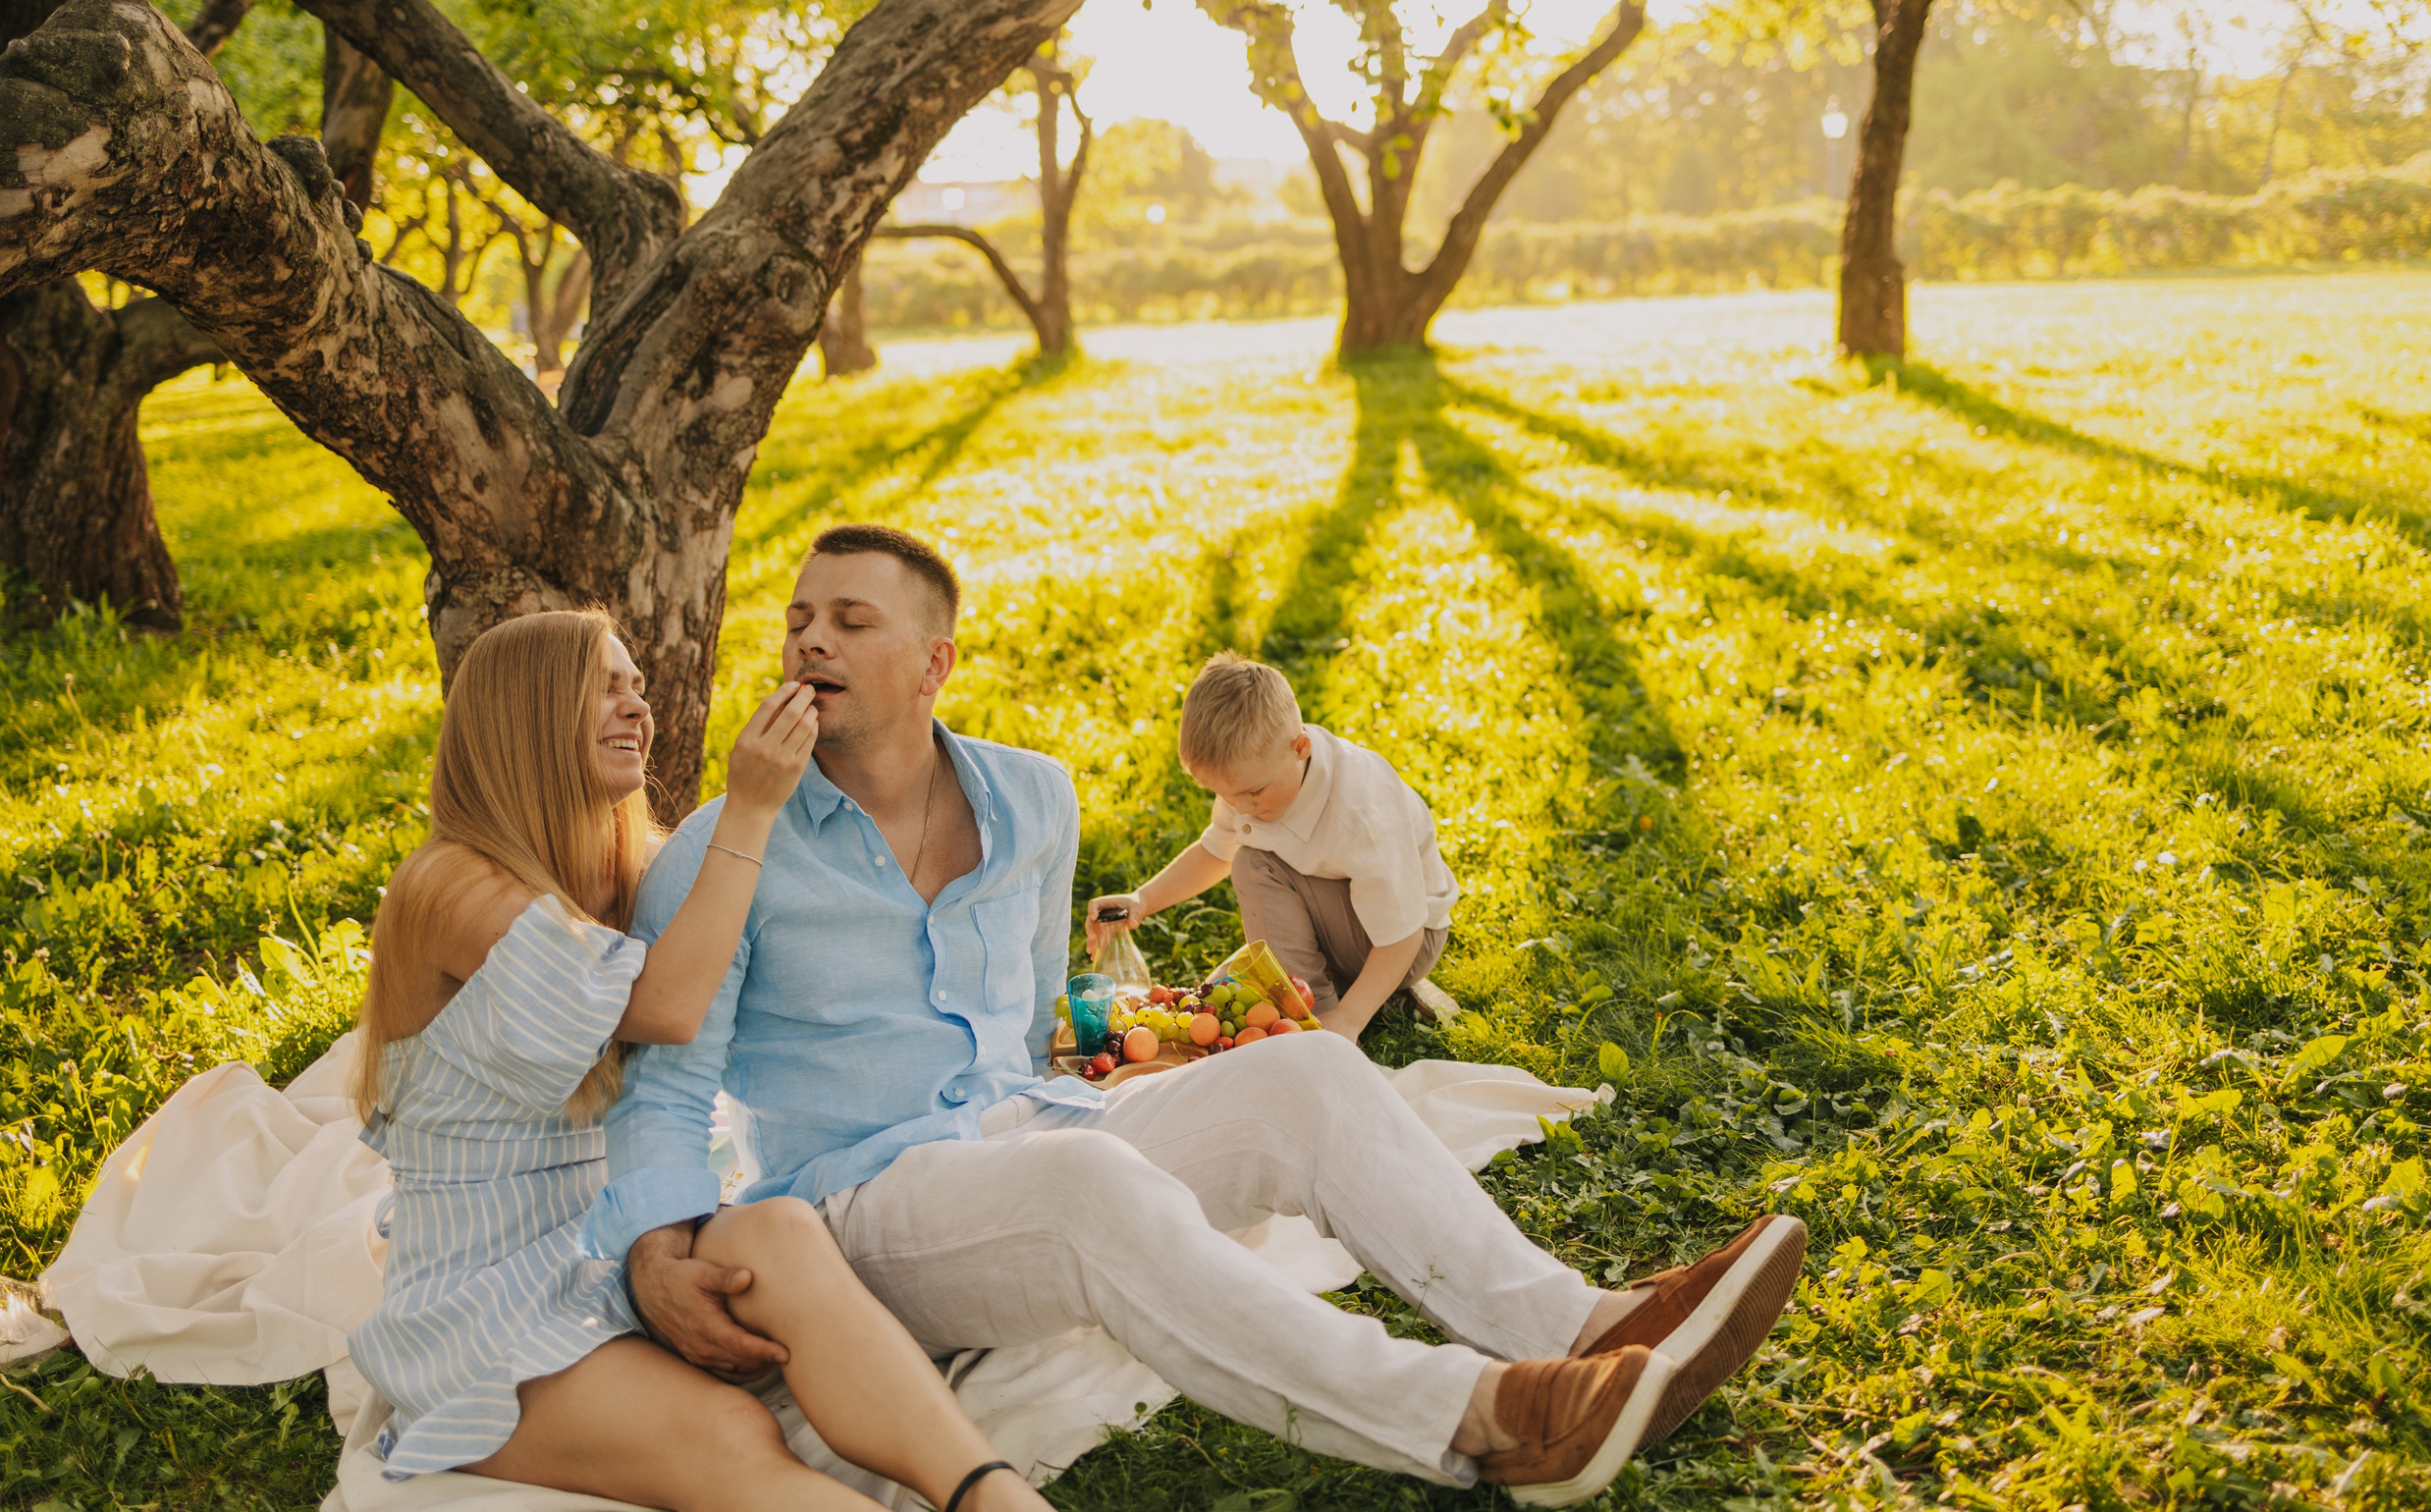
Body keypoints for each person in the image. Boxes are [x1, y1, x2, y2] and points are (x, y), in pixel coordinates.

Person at [591, 524, 1810, 1507]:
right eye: (799, 618)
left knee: (1315, 1079)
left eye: (851, 620)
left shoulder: (1031, 798)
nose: (811, 639)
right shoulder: (728, 840)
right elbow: (665, 1079)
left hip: (1029, 1125)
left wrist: (1145, 1063)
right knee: (1084, 1182)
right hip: (861, 1206)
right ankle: (1487, 1419)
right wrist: (656, 1247)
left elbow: (1024, 1026)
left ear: (933, 662)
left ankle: (1592, 1325)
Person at [347, 609, 1056, 1512]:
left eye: (639, 686)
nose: (637, 706)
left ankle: (988, 1495)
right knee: (730, 1435)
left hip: (615, 1250)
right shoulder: (449, 885)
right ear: (525, 712)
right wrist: (755, 806)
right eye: (605, 686)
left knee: (780, 1233)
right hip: (487, 1300)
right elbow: (668, 1009)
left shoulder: (635, 865)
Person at [1088, 649, 1460, 1038]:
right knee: (1224, 975)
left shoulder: (1360, 813)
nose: (1240, 808)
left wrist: (1350, 1019)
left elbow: (1403, 935)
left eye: (1252, 793)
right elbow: (1216, 851)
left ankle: (1321, 1013)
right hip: (1347, 919)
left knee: (1254, 862)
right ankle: (1309, 992)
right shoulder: (1254, 778)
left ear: (1301, 749)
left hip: (1403, 941)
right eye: (1226, 795)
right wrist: (1143, 900)